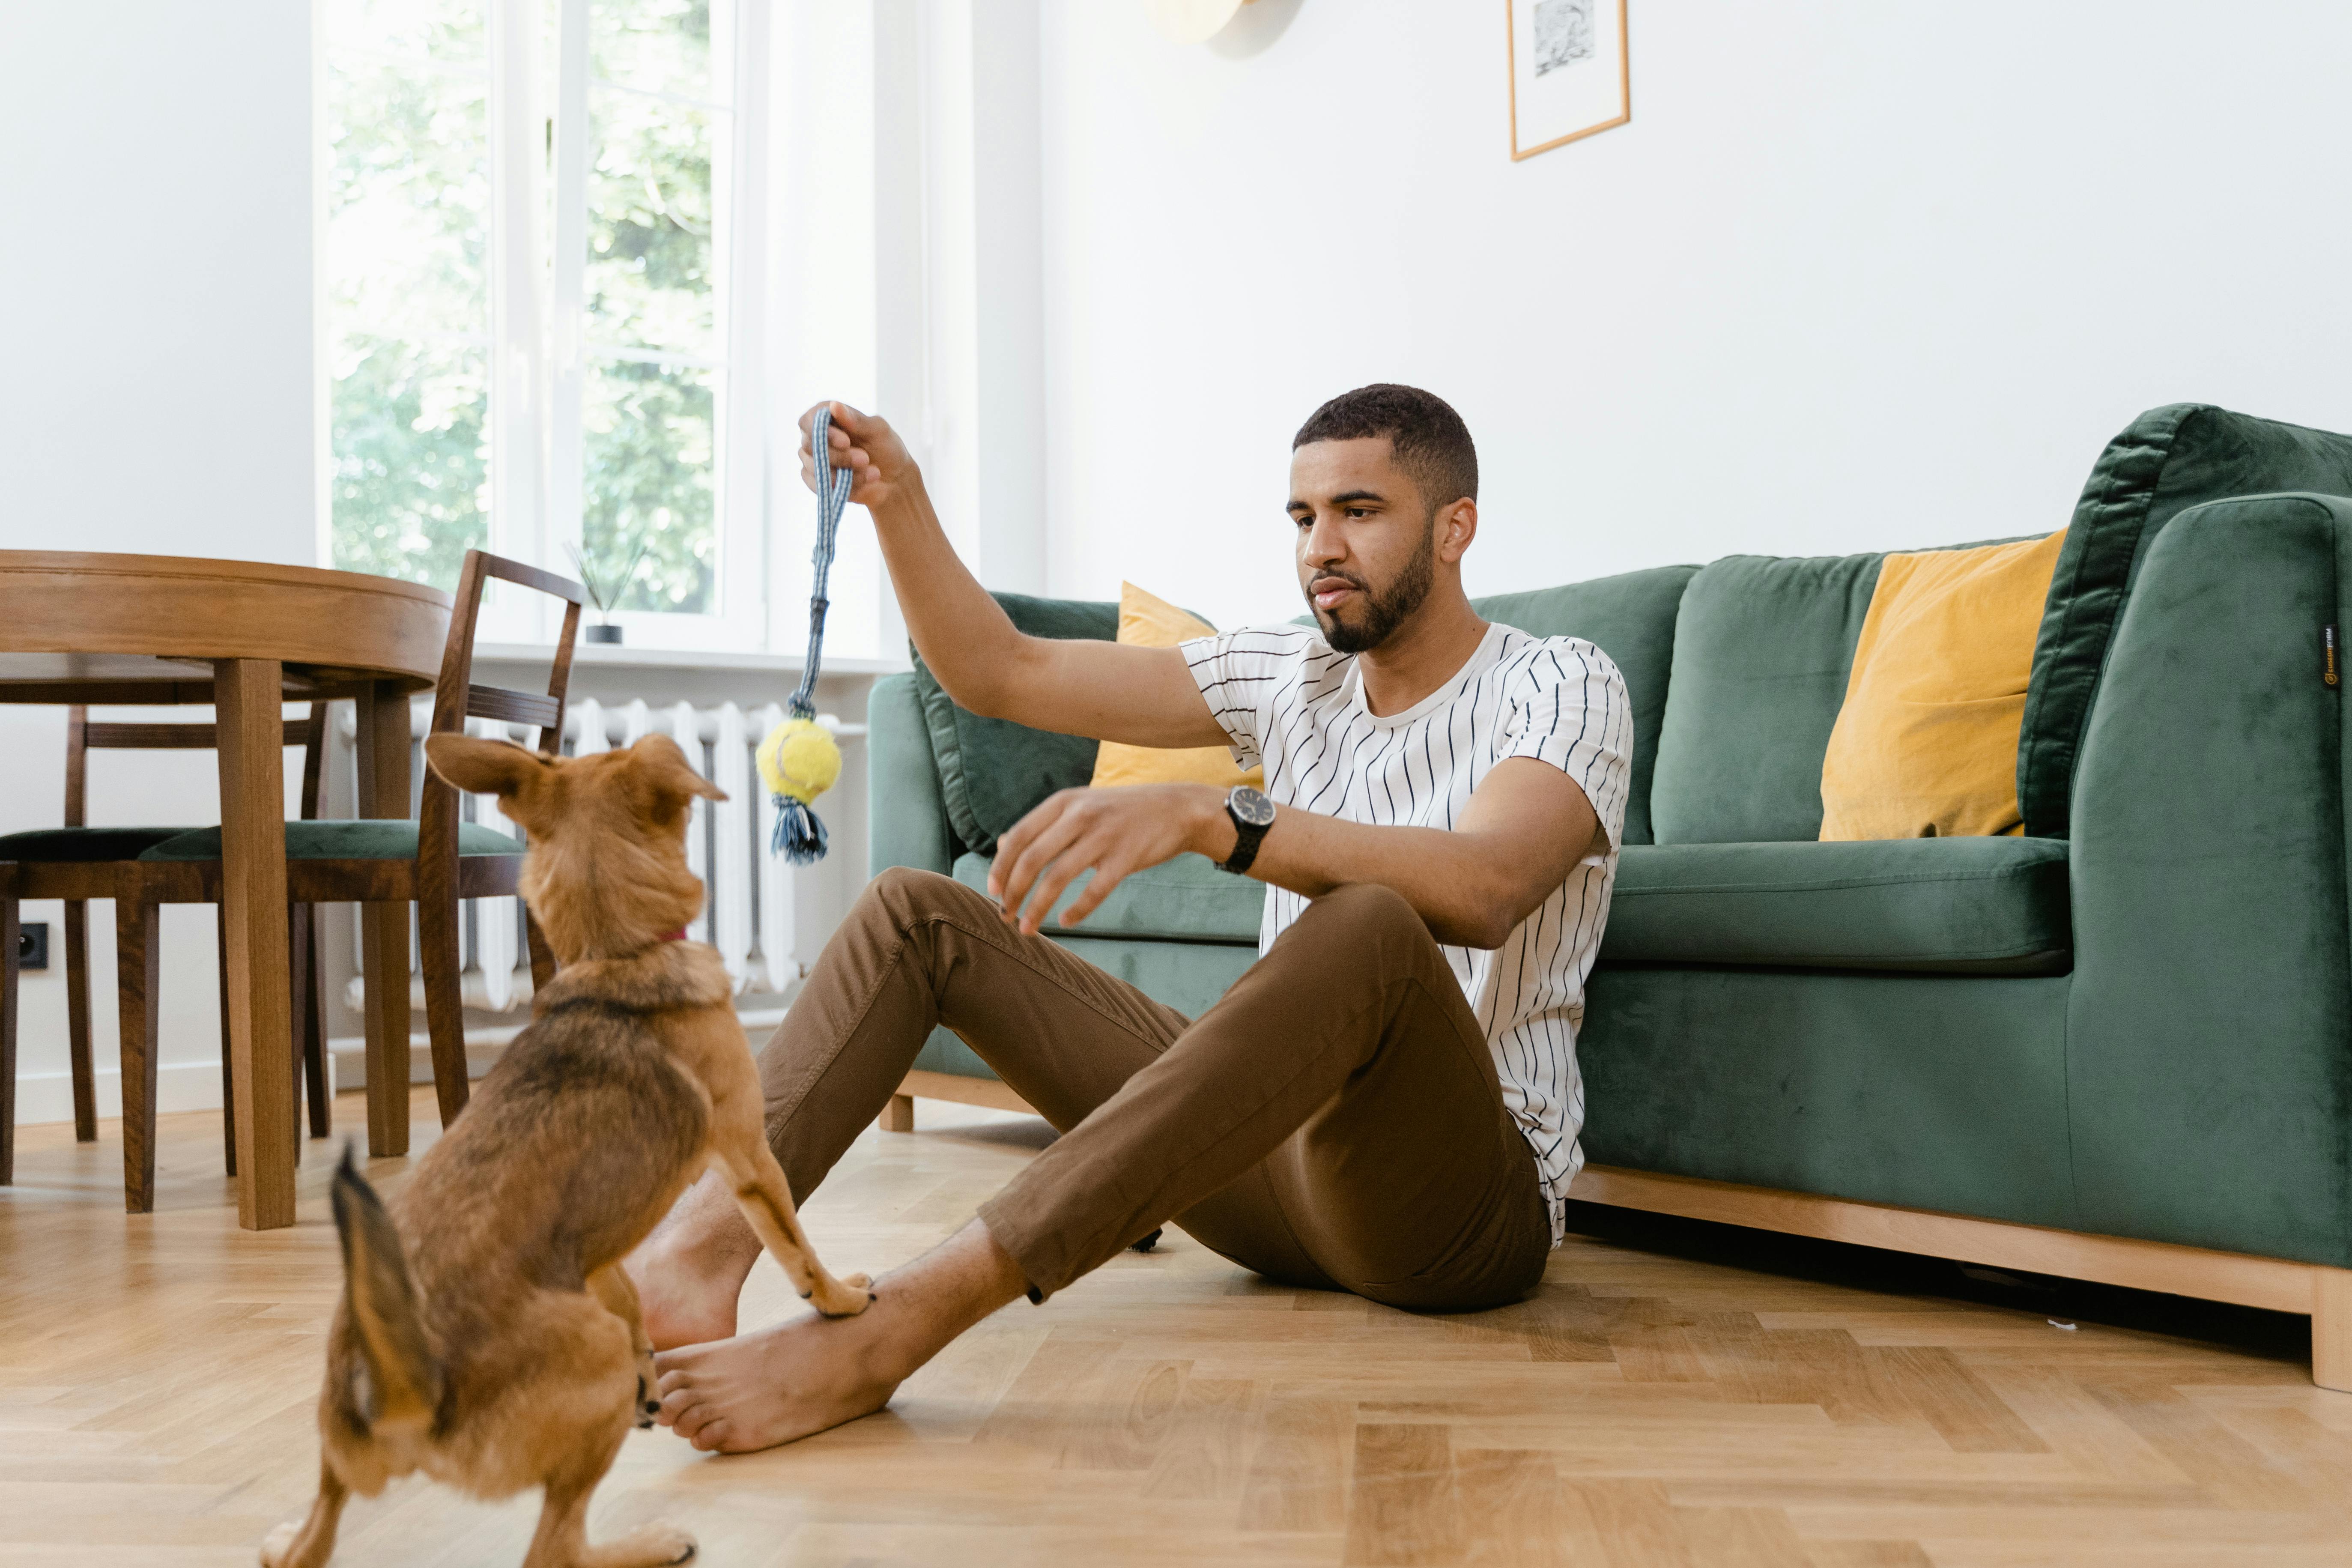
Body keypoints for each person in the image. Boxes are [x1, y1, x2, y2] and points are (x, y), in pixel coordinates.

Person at [631, 383, 1631, 1453]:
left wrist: (1217, 815)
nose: (1321, 548)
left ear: (1453, 527)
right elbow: (996, 670)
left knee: (1370, 928)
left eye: (1358, 511)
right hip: (1271, 1189)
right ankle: (692, 1260)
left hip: (1456, 1216)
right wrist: (898, 500)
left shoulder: (1560, 680)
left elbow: (1485, 886)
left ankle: (895, 1325)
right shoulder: (1289, 676)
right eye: (1302, 519)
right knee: (916, 915)